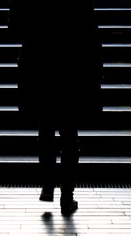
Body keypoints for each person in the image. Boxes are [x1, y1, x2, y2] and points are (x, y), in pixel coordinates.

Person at [8, 0, 103, 215]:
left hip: (39, 65)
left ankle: (48, 181)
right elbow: (91, 31)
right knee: (69, 133)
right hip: (71, 66)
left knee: (46, 126)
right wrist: (96, 72)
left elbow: (14, 26)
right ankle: (66, 195)